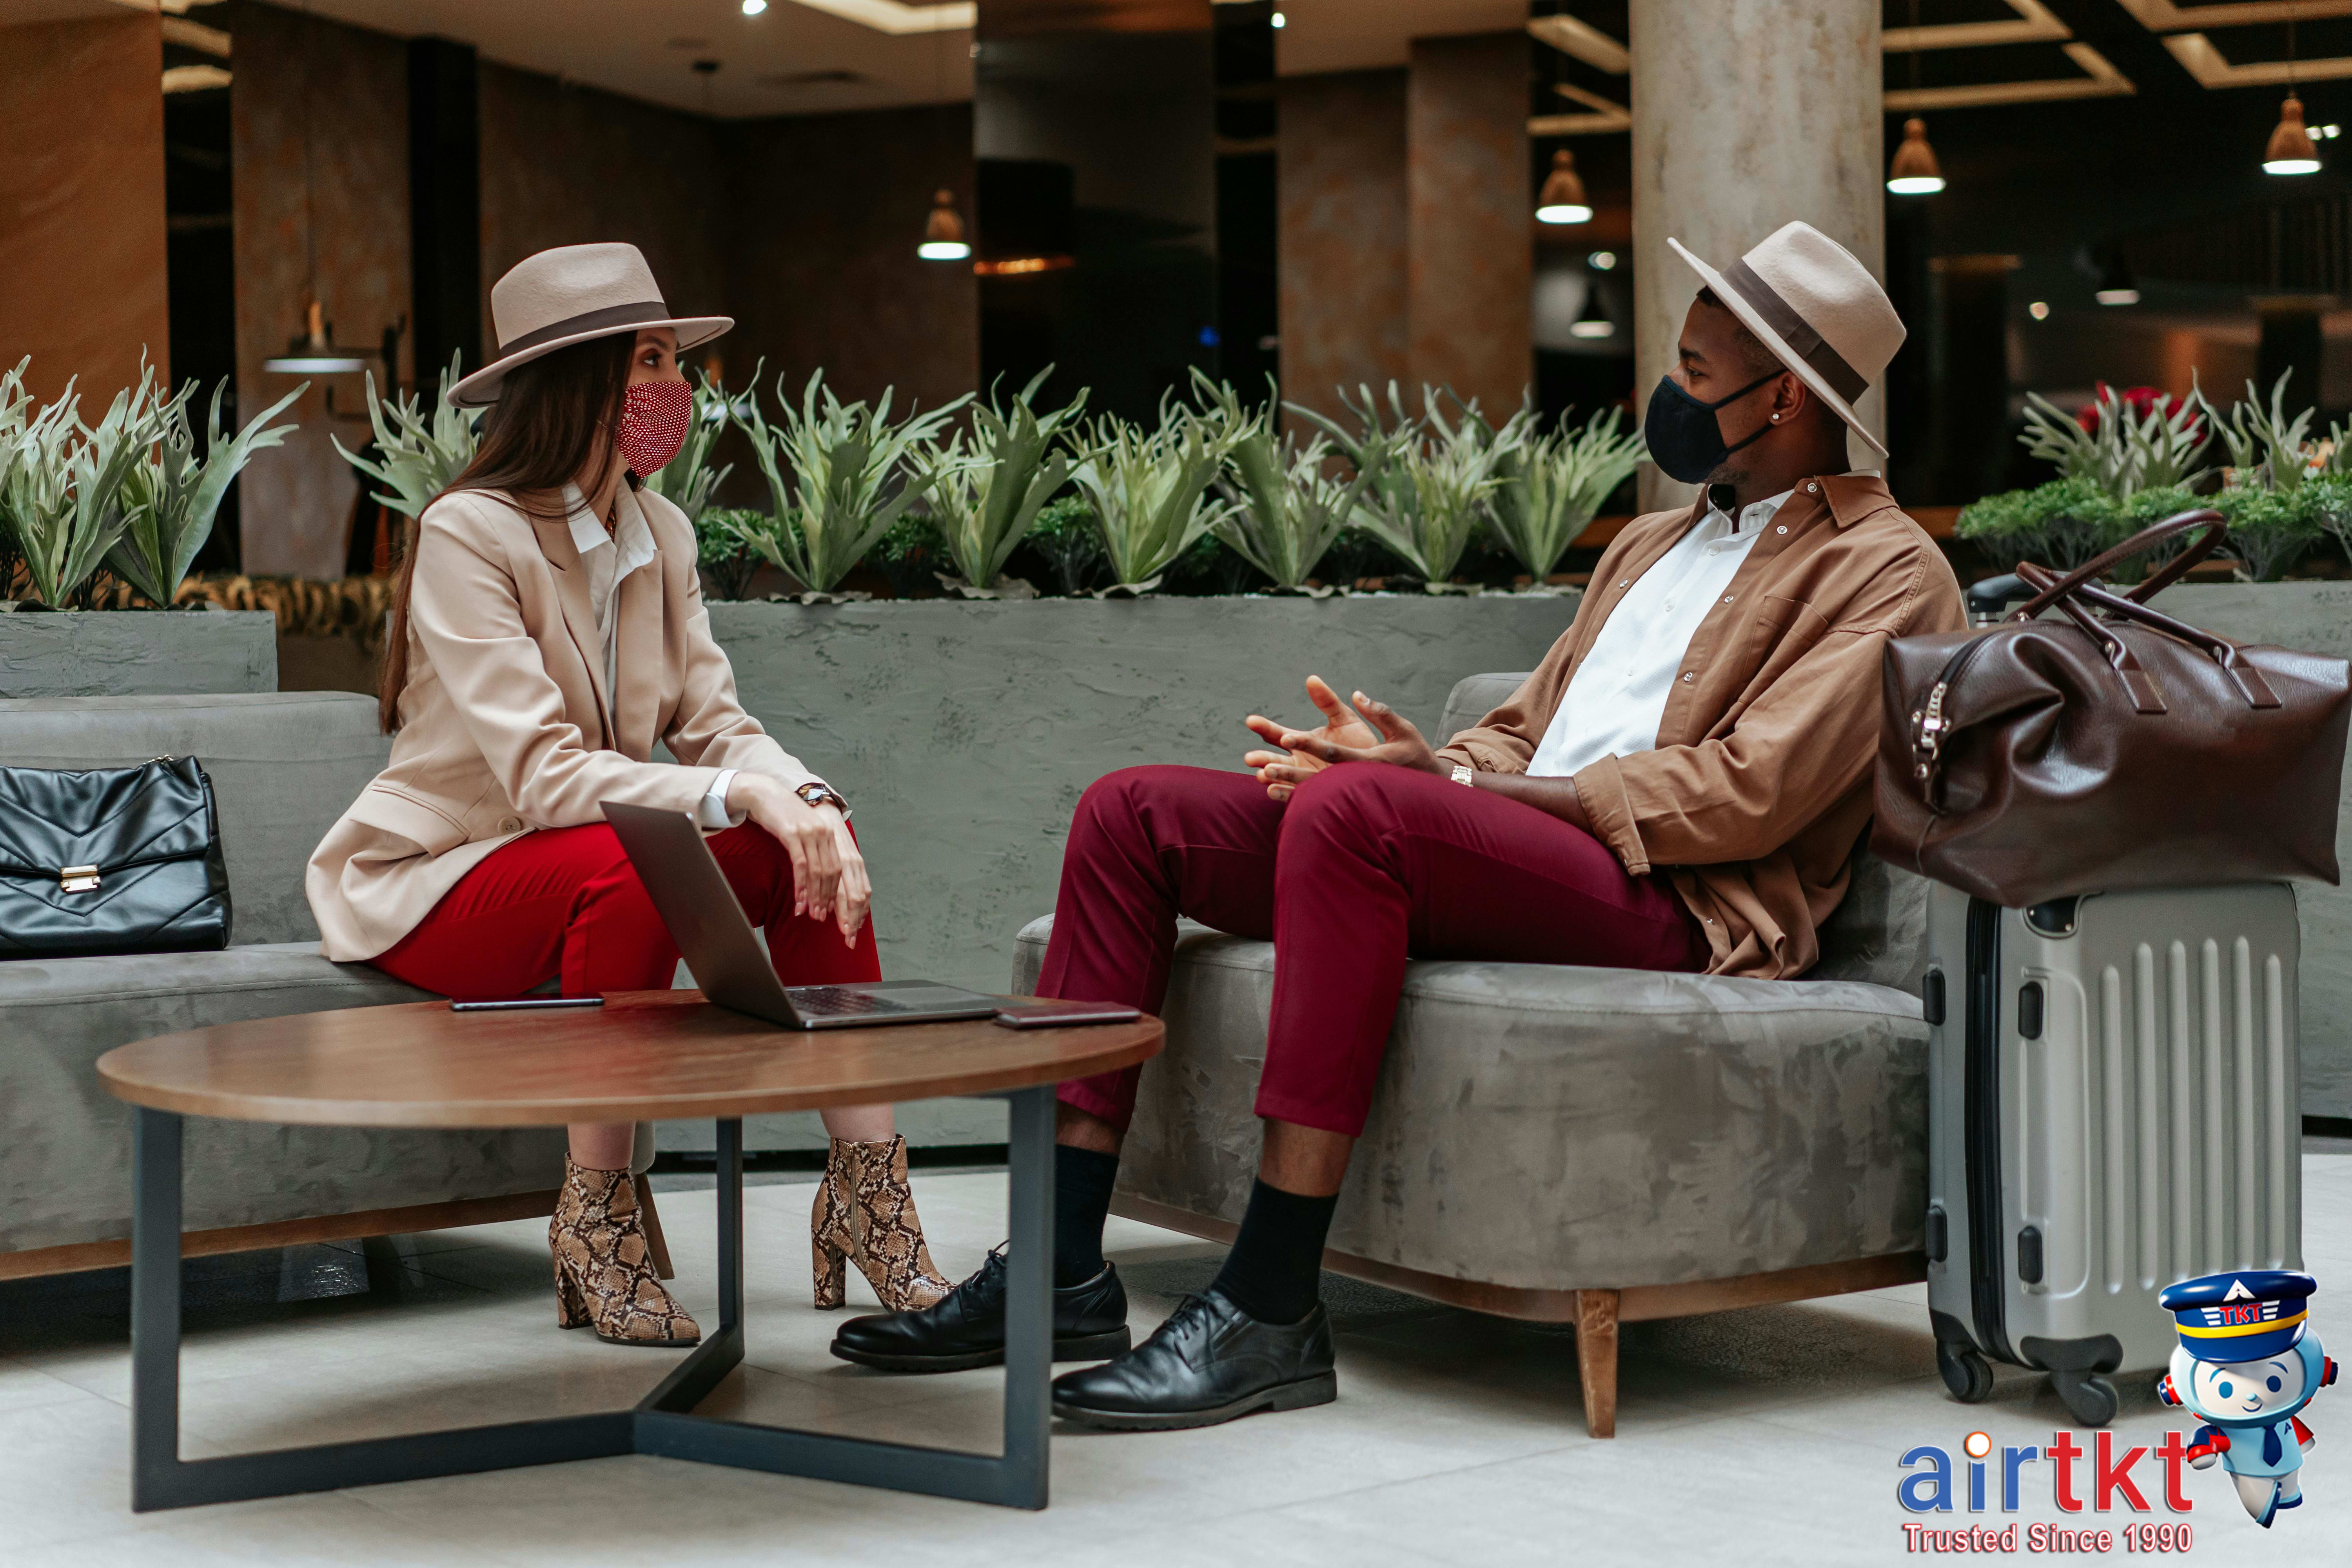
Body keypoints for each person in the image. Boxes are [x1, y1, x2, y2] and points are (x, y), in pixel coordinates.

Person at [829, 220, 1967, 1429]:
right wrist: (1427, 764)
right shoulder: (1651, 541)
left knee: (1361, 818)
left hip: (1673, 900)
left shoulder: (1890, 572)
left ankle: (1269, 1309)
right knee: (1136, 813)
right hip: (1536, 854)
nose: (1667, 395)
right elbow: (1526, 727)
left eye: (1693, 372)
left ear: (1782, 396)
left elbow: (1752, 792)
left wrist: (1454, 796)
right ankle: (1059, 1270)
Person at [306, 243, 954, 1349]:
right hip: (445, 883)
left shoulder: (663, 531)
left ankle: (867, 1191)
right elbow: (547, 778)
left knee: (804, 840)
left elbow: (717, 721)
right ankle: (594, 1217)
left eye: (675, 361)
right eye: (650, 361)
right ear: (580, 384)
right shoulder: (472, 532)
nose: (677, 390)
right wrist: (731, 795)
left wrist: (799, 798)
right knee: (638, 850)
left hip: (588, 862)